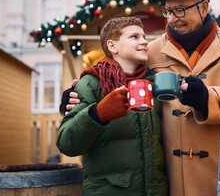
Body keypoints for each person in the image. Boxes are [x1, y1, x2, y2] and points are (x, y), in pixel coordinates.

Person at [60, 0, 220, 195]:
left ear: (204, 7)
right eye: (168, 11)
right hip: (175, 179)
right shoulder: (151, 51)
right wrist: (77, 94)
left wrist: (208, 97)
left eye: (180, 10)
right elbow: (118, 72)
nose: (173, 19)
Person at [56, 17, 168, 196]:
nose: (144, 41)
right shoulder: (92, 83)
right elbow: (67, 143)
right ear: (113, 46)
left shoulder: (154, 83)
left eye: (144, 36)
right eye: (134, 37)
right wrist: (97, 114)